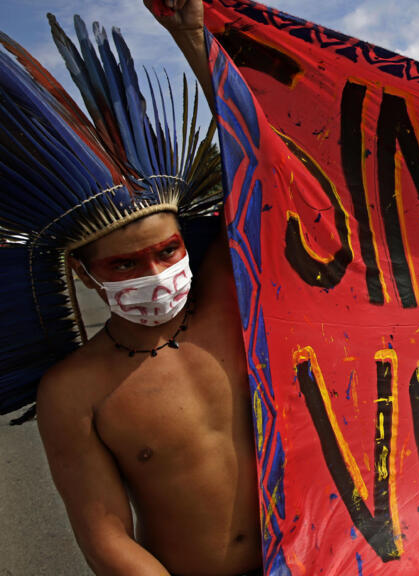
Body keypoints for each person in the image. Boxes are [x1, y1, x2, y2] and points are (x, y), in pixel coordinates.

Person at [0, 12, 262, 576]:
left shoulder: (227, 302)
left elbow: (259, 160)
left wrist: (192, 37)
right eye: (126, 263)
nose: (156, 271)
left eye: (168, 251)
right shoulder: (72, 391)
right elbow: (106, 538)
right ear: (86, 273)